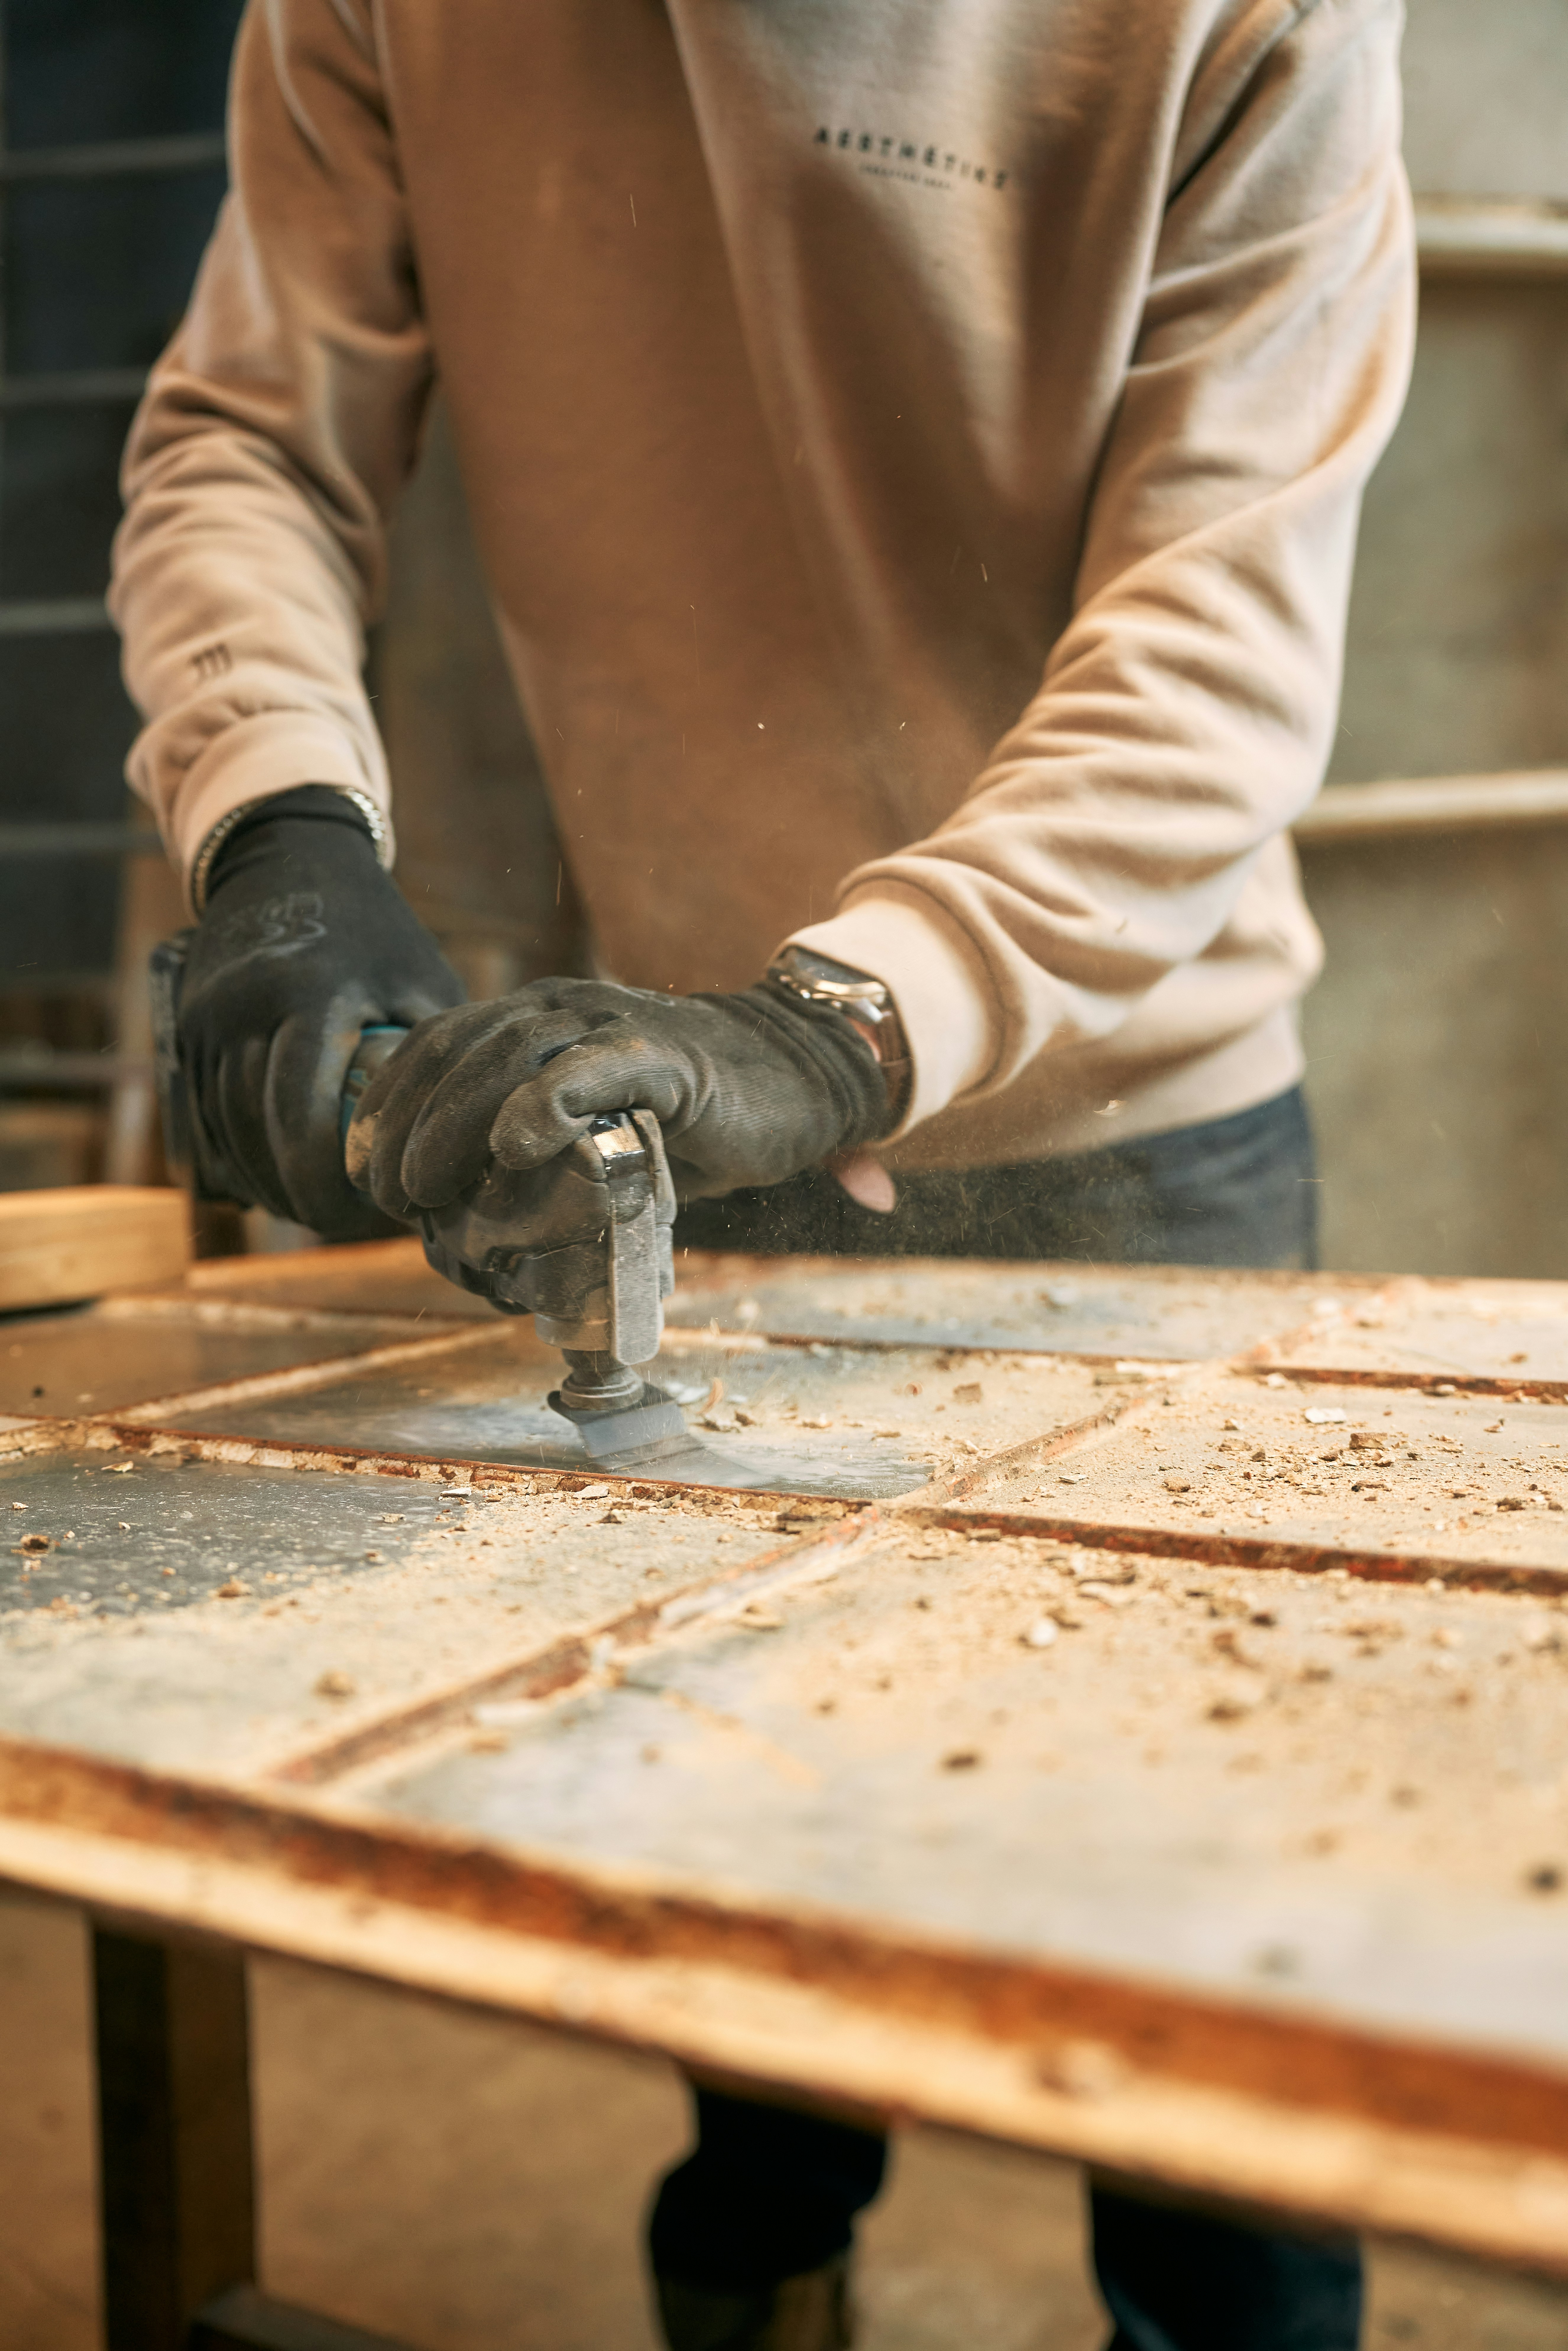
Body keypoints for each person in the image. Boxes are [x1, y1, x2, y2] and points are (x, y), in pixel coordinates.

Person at [111, 3, 1413, 2344]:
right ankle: (760, 2270)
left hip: (1127, 1090)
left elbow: (1213, 625)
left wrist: (842, 1025)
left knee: (1203, 1997)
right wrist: (279, 811)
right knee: (740, 1890)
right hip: (679, 1083)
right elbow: (251, 438)